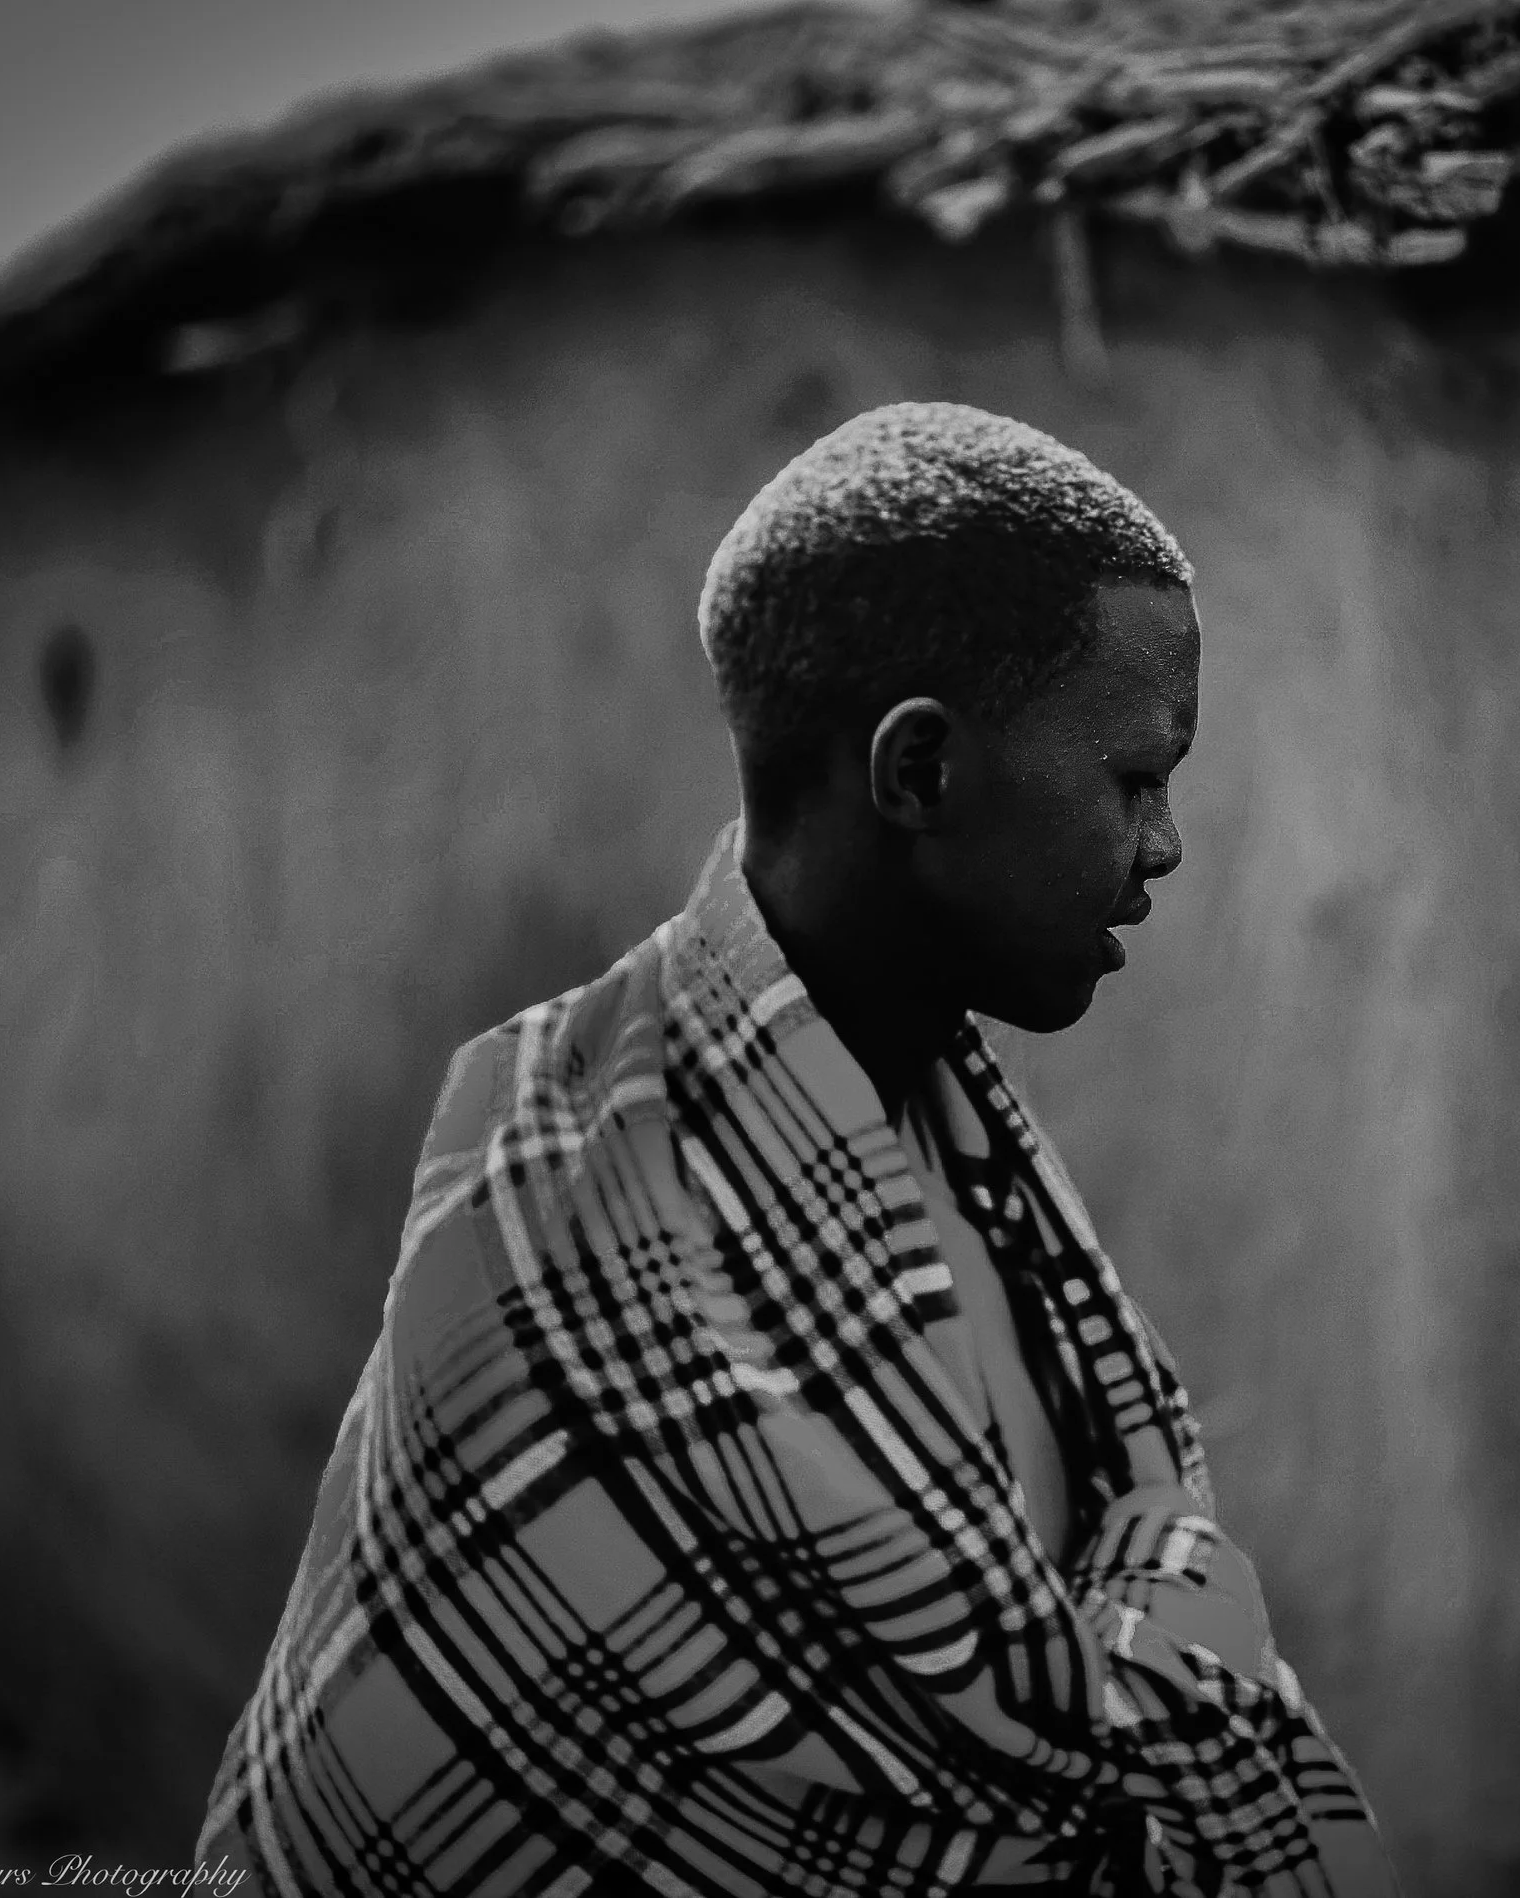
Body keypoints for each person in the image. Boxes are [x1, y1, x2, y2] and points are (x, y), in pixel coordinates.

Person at [197, 403, 1395, 1895]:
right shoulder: (554, 1203)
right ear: (920, 775)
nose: (1164, 847)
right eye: (1136, 779)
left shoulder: (968, 1157)